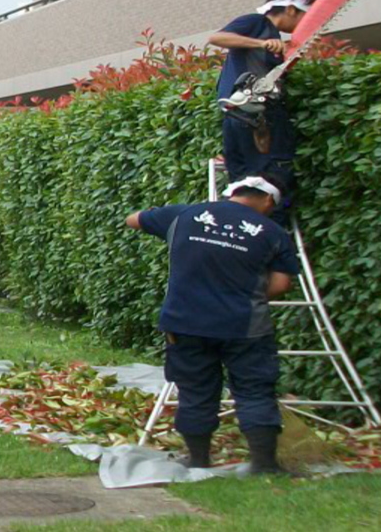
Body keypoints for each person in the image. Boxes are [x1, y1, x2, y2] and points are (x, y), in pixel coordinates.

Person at [125, 175, 300, 474]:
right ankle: (264, 464)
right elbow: (282, 284)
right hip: (245, 327)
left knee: (195, 389)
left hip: (185, 322)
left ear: (231, 193)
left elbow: (133, 220)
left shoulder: (184, 214)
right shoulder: (273, 232)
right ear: (269, 201)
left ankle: (198, 459)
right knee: (254, 389)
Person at [205, 0, 314, 217]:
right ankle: (267, 238)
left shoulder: (273, 41)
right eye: (307, 15)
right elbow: (217, 38)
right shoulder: (258, 24)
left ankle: (239, 233)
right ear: (291, 10)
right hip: (257, 117)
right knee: (270, 180)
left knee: (244, 182)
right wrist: (261, 44)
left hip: (238, 116)